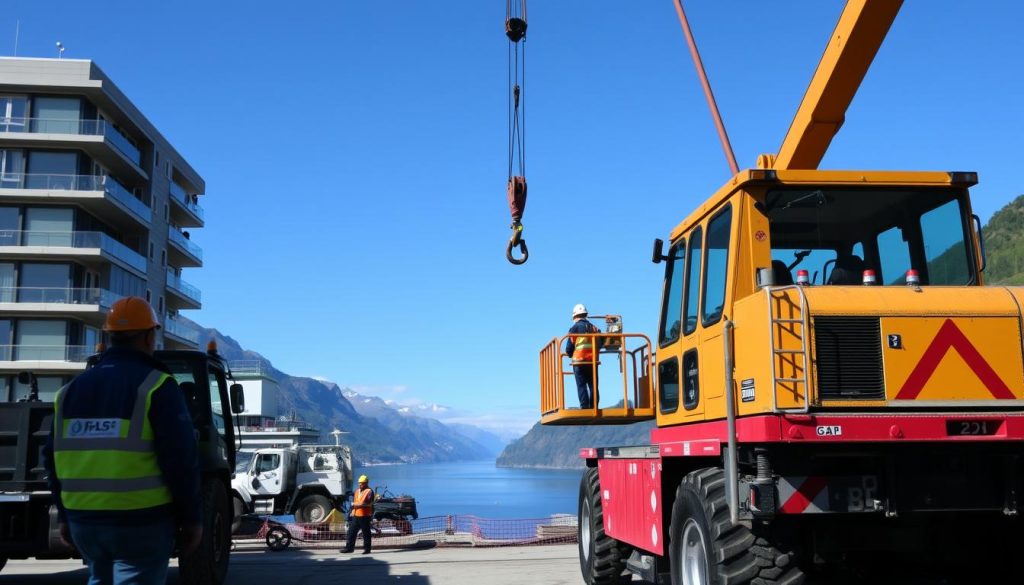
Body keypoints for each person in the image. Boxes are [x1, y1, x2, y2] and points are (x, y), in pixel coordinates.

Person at [42, 296, 202, 585]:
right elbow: (180, 459)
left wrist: (64, 513)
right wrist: (192, 517)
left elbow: (51, 457)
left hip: (84, 520)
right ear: (149, 336)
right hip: (141, 521)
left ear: (110, 335)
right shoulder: (156, 386)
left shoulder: (69, 392)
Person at [565, 303, 601, 409]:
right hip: (592, 361)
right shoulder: (594, 328)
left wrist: (570, 354)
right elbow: (600, 342)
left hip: (579, 361)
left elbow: (569, 347)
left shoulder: (574, 328)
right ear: (585, 315)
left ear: (575, 316)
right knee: (593, 384)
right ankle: (594, 406)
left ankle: (584, 407)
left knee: (581, 385)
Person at [343, 475, 375, 554]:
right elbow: (354, 503)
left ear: (366, 483)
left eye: (362, 483)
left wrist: (355, 504)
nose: (360, 485)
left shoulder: (369, 491)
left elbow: (367, 503)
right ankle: (349, 548)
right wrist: (352, 511)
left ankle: (367, 549)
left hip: (365, 515)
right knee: (351, 532)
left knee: (366, 533)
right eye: (359, 483)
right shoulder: (357, 491)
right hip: (356, 515)